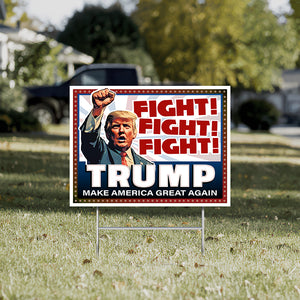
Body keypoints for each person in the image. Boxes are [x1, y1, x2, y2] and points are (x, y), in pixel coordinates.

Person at [80, 88, 153, 166]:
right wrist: (97, 109)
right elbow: (90, 139)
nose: (121, 130)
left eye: (126, 126)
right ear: (107, 133)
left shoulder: (147, 165)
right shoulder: (99, 153)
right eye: (116, 126)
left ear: (134, 133)